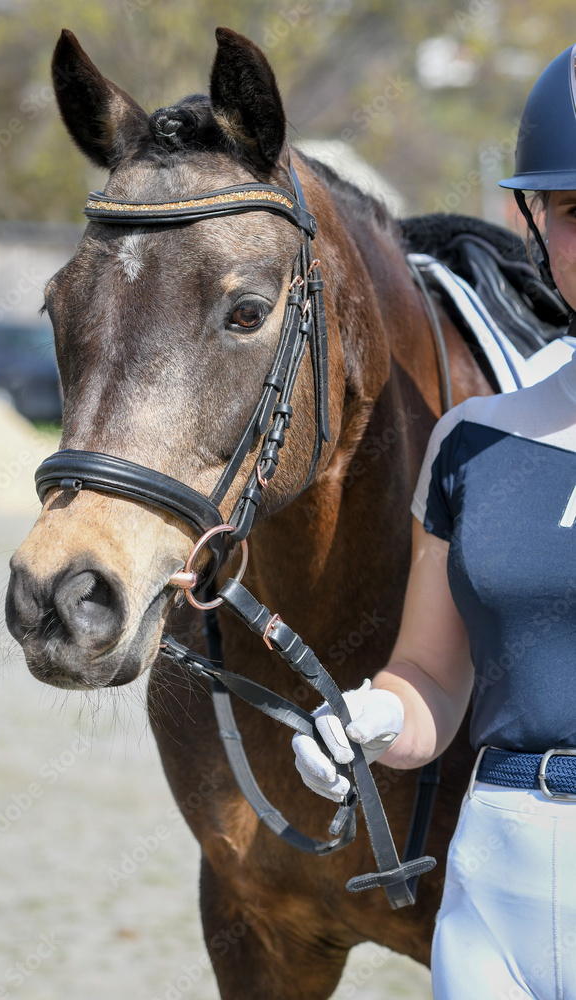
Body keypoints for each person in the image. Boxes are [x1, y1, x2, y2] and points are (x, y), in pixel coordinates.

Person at [292, 44, 576, 1000]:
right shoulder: (470, 444)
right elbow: (428, 679)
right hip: (493, 893)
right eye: (575, 211)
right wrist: (371, 716)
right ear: (535, 224)